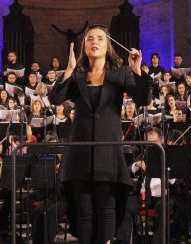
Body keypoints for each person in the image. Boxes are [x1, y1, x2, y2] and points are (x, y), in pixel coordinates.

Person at [48, 24, 151, 243]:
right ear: (84, 47)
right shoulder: (77, 74)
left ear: (108, 45)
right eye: (90, 39)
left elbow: (143, 99)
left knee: (106, 208)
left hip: (108, 151)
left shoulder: (121, 72)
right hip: (80, 152)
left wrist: (136, 69)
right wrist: (68, 69)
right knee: (83, 211)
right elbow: (55, 99)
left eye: (100, 39)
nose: (95, 42)